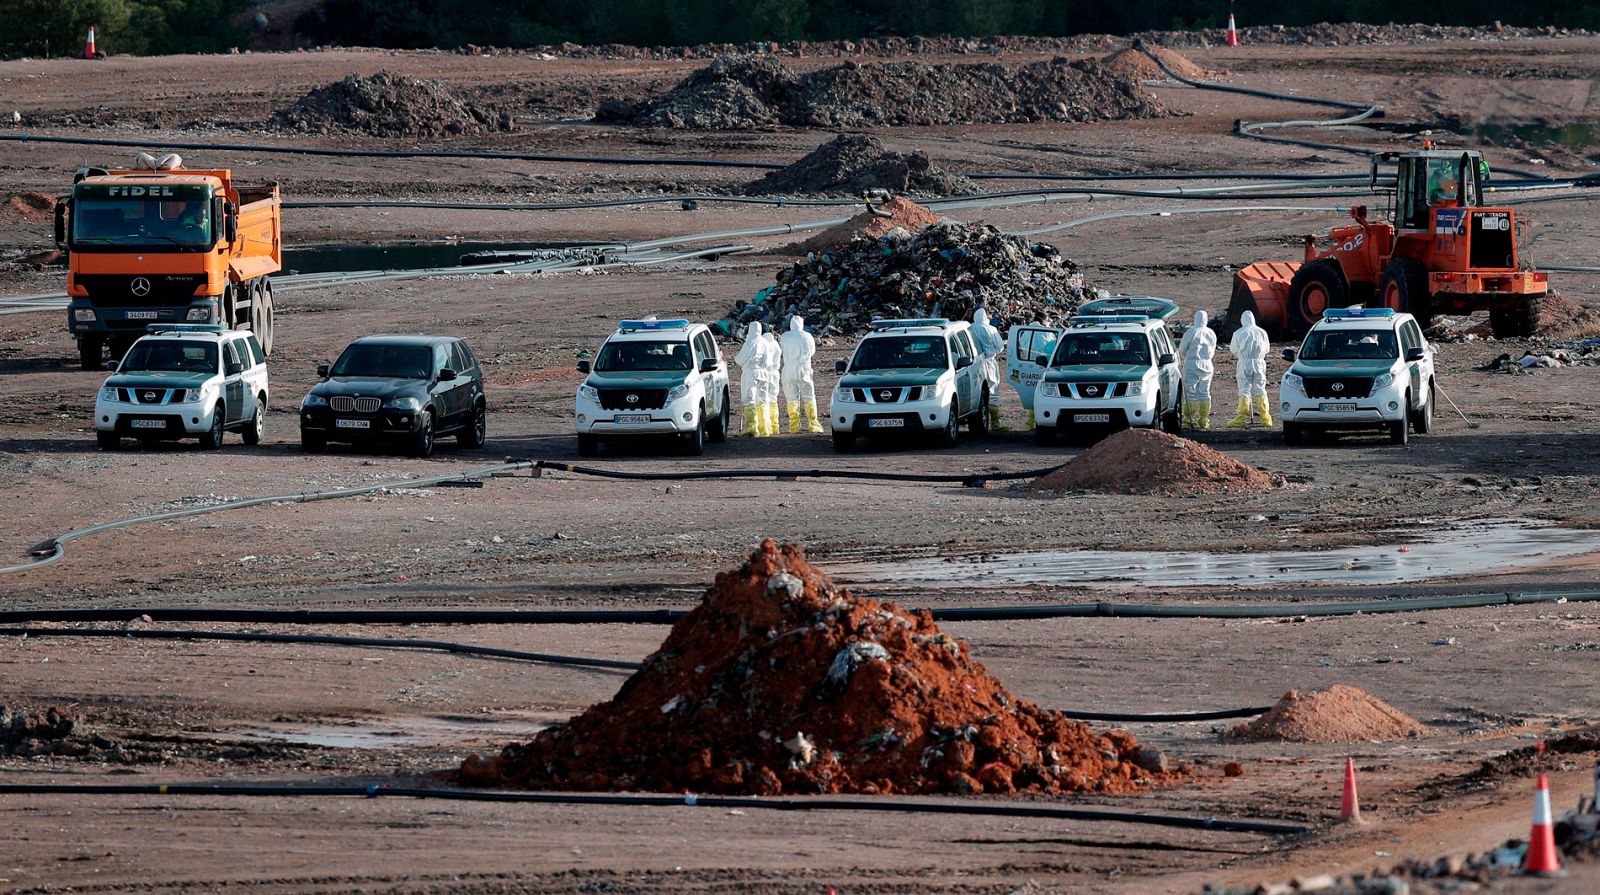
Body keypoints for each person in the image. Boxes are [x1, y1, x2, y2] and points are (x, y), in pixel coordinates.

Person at [1227, 310, 1272, 428]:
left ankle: (1241, 417)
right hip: (1259, 363)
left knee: (1244, 389)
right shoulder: (1262, 332)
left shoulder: (1239, 333)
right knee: (1260, 389)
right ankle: (1265, 417)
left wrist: (1243, 355)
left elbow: (1233, 349)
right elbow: (1267, 348)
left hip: (1245, 363)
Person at [778, 315, 823, 434]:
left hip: (788, 369)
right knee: (809, 396)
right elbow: (812, 351)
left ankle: (794, 425)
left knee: (792, 398)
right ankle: (813, 424)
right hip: (804, 369)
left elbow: (781, 349)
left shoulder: (785, 336)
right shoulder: (807, 336)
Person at [1177, 310, 1216, 429]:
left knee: (1190, 392)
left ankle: (1188, 419)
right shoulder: (1211, 333)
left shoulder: (1191, 332)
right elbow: (1213, 348)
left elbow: (1182, 348)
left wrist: (1187, 358)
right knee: (1205, 392)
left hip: (1192, 364)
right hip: (1207, 364)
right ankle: (1204, 420)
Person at [734, 321, 771, 437]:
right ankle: (764, 427)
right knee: (762, 399)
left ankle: (752, 427)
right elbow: (769, 361)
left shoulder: (750, 343)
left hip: (751, 373)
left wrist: (735, 358)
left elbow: (740, 360)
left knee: (749, 399)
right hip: (764, 373)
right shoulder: (765, 343)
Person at [971, 308, 1005, 430]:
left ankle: (980, 420)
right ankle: (995, 423)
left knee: (978, 391)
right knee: (993, 389)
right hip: (989, 362)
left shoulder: (970, 329)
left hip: (974, 364)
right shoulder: (991, 329)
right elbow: (1000, 347)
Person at [756, 324, 783, 436]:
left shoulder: (762, 343)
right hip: (775, 373)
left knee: (762, 399)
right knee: (773, 398)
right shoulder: (776, 344)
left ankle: (764, 426)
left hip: (764, 373)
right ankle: (774, 426)